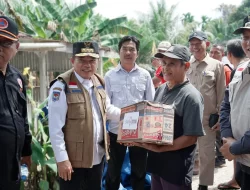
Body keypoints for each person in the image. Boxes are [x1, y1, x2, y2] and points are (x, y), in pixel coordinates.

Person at [48, 41, 120, 190]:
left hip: (97, 159)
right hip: (73, 163)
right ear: (73, 61)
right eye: (82, 60)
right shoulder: (61, 86)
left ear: (97, 62)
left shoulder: (98, 81)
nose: (87, 65)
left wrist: (129, 114)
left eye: (92, 60)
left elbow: (107, 109)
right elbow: (55, 128)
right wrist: (62, 160)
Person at [133, 44, 205, 190]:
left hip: (176, 168)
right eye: (164, 63)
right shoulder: (160, 89)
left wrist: (160, 149)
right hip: (157, 164)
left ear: (186, 66)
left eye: (172, 64)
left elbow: (191, 137)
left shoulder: (191, 96)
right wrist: (137, 138)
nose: (166, 68)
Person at [104, 36, 155, 190]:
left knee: (139, 172)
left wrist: (136, 122)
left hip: (140, 133)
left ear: (137, 53)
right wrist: (129, 118)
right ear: (119, 52)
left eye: (132, 49)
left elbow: (151, 103)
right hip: (115, 132)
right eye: (124, 49)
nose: (128, 52)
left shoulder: (145, 75)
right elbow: (106, 106)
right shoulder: (109, 76)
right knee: (113, 173)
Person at [187, 31, 226, 190]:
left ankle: (203, 185)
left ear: (206, 44)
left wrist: (220, 116)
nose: (195, 47)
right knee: (186, 152)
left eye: (198, 43)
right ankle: (185, 182)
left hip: (207, 117)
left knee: (207, 154)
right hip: (187, 116)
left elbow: (221, 93)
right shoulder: (186, 64)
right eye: (192, 44)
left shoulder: (217, 65)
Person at [0, 16, 32, 189]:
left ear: (16, 47)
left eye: (6, 43)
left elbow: (22, 117)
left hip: (12, 163)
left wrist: (26, 151)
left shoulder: (17, 78)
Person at [220, 15, 250, 190]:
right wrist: (227, 137)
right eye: (246, 38)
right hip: (243, 162)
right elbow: (226, 105)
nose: (248, 43)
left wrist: (234, 147)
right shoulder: (239, 70)